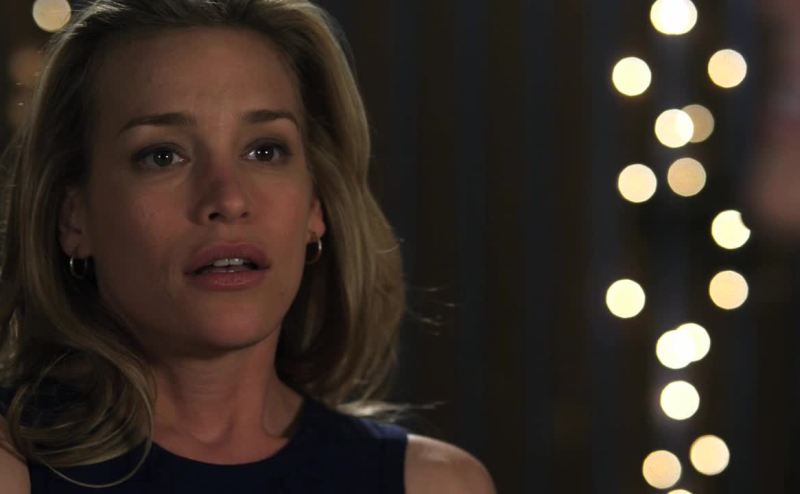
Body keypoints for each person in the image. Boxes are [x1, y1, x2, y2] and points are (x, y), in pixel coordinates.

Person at [0, 0, 495, 492]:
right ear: (74, 217)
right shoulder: (13, 462)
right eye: (163, 155)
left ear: (315, 206)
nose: (228, 199)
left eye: (265, 150)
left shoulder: (436, 483)